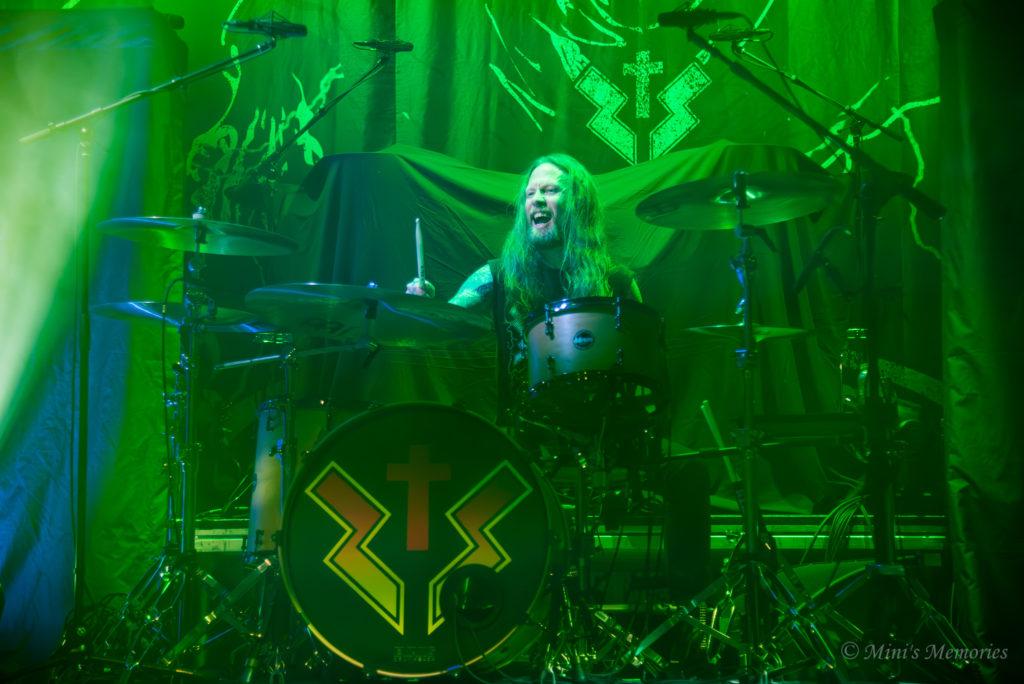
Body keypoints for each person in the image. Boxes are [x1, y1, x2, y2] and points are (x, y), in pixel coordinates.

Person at [408, 153, 711, 606]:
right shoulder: (497, 275)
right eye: (530, 193)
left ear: (577, 203)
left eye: (550, 190)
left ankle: (688, 610)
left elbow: (644, 365)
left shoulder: (616, 282)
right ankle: (487, 609)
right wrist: (423, 304)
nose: (537, 200)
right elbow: (444, 320)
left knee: (689, 472)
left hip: (608, 433)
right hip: (528, 435)